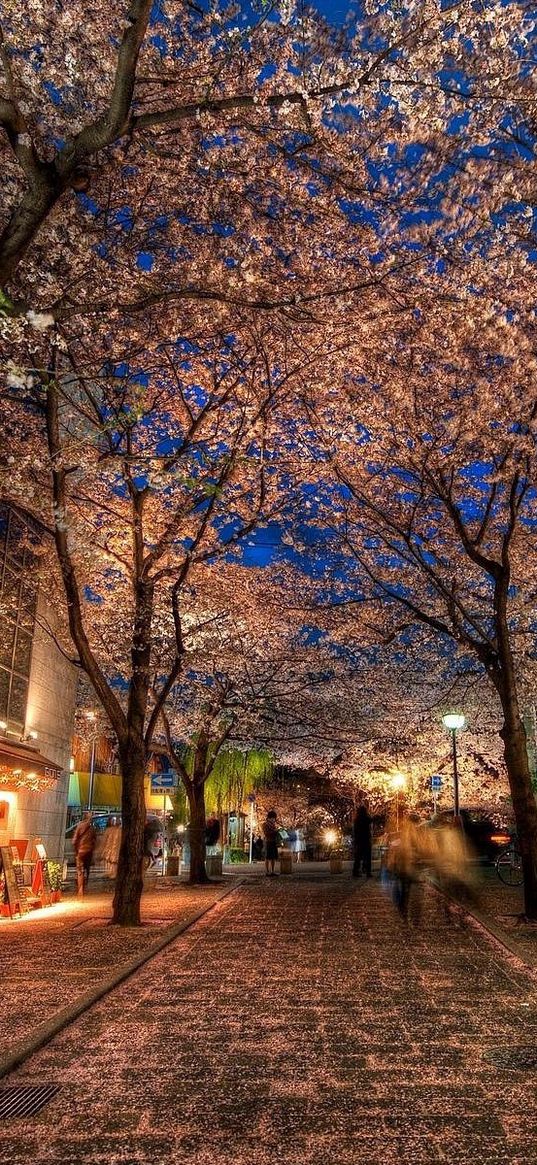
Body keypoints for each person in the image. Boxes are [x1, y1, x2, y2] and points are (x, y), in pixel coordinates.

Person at [73, 811, 97, 896]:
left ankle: (80, 889)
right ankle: (85, 885)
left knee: (80, 870)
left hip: (81, 851)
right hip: (89, 851)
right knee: (87, 870)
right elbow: (95, 840)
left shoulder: (79, 826)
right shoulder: (92, 828)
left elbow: (74, 840)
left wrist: (76, 850)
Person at [352, 797, 372, 878]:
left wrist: (355, 840)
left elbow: (355, 831)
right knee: (367, 857)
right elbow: (371, 820)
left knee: (358, 857)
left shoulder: (356, 820)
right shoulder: (366, 818)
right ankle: (368, 872)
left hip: (359, 840)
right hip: (366, 840)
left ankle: (355, 872)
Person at [262, 809, 280, 877]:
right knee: (268, 857)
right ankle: (267, 871)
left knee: (273, 857)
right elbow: (266, 833)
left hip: (273, 841)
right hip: (268, 842)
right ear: (270, 818)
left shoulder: (273, 824)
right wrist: (275, 831)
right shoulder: (265, 824)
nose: (274, 820)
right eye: (273, 818)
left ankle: (272, 871)